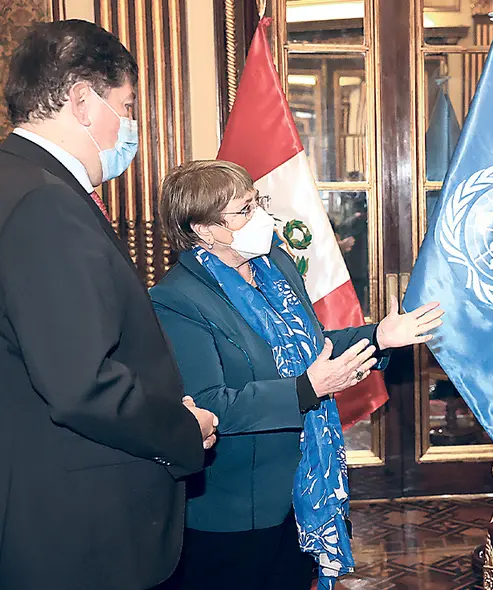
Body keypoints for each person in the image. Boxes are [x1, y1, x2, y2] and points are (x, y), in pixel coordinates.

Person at [151, 160, 444, 590]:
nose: (262, 218)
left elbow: (314, 347)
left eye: (258, 202)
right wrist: (308, 389)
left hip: (306, 488)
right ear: (204, 229)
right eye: (244, 210)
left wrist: (380, 335)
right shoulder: (177, 299)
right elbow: (212, 405)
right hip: (238, 509)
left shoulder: (276, 266)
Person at [0, 20, 217, 590]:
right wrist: (181, 428)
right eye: (125, 104)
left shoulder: (17, 182)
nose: (130, 125)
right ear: (81, 100)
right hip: (78, 527)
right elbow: (80, 384)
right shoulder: (45, 205)